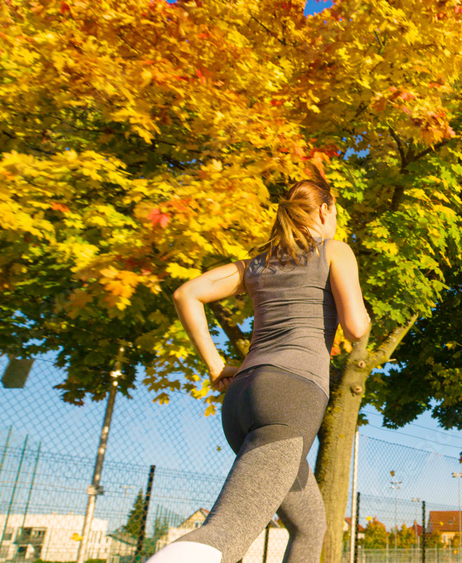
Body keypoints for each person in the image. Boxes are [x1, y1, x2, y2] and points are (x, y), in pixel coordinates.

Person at [147, 167, 370, 563]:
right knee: (228, 532)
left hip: (242, 401)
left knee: (309, 525)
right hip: (290, 399)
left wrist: (217, 366)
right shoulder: (335, 251)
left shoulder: (255, 265)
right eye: (335, 215)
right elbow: (355, 327)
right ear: (323, 212)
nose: (335, 223)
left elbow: (187, 294)